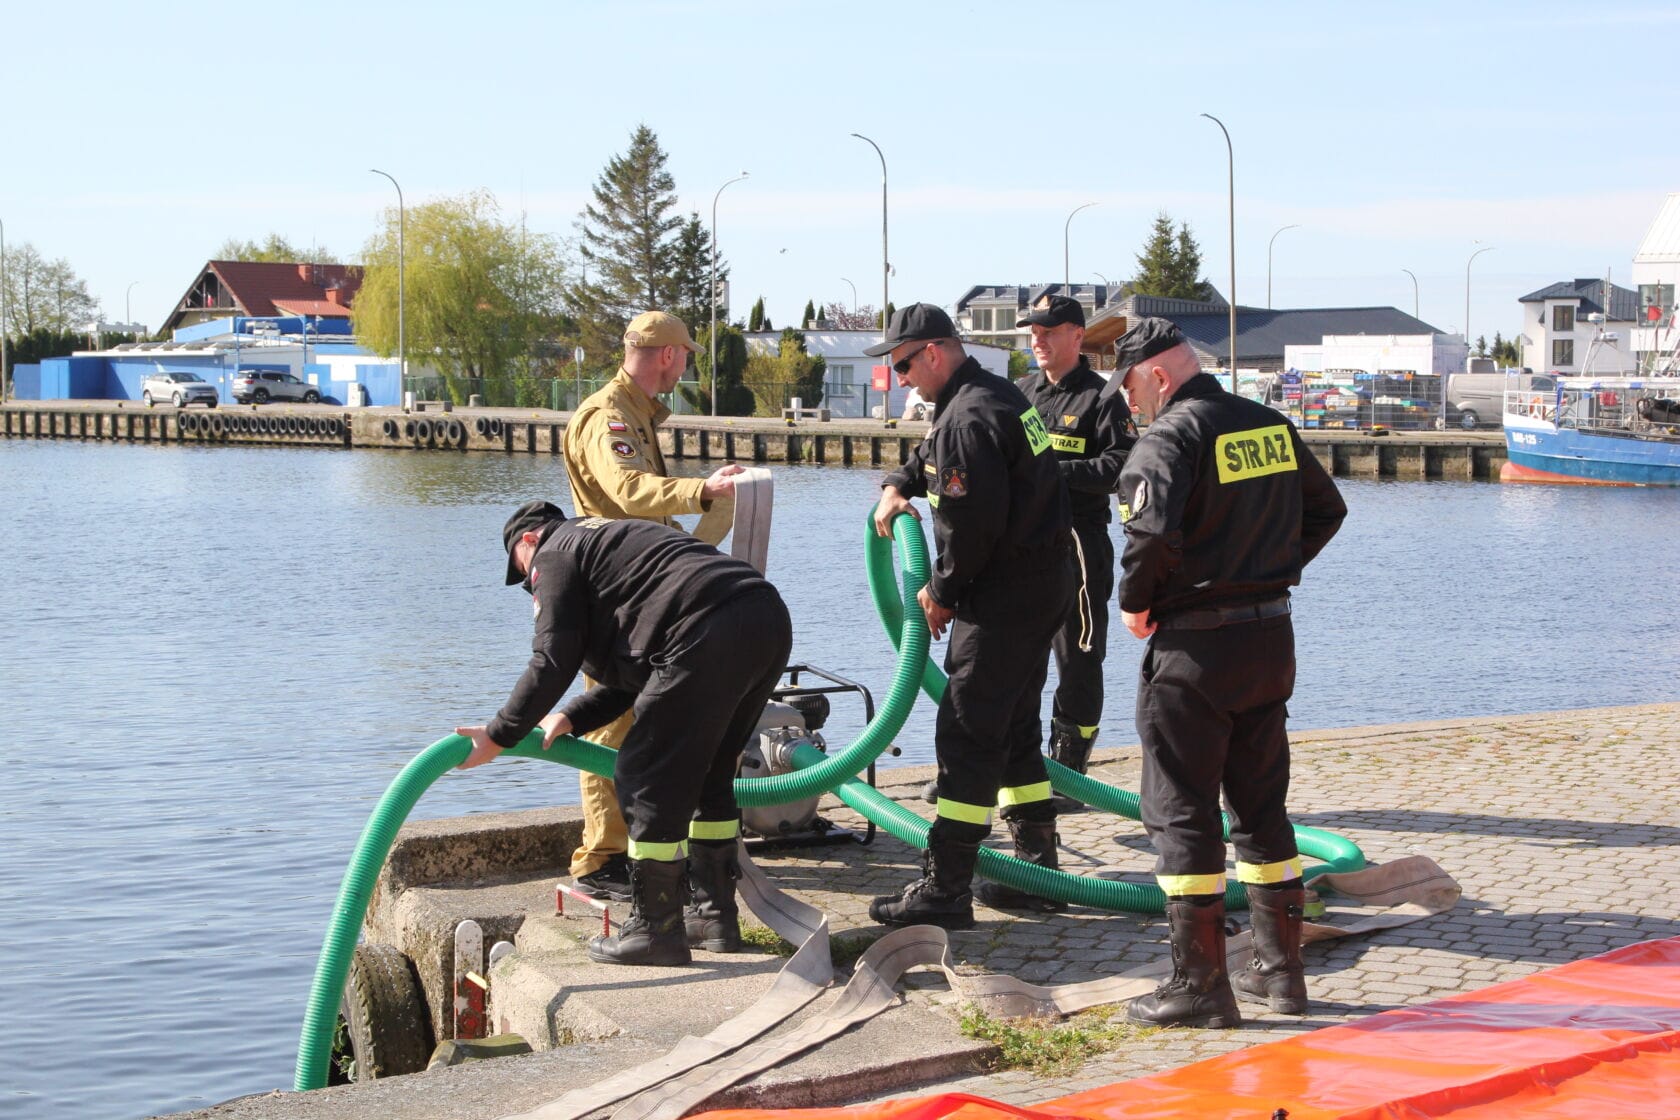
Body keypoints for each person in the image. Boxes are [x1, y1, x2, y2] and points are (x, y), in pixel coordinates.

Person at [1109, 319, 1347, 1028]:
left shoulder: (1169, 437)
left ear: (1158, 376)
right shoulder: (1267, 426)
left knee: (1180, 810)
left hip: (1195, 649)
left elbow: (1149, 534)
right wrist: (1267, 569)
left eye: (1129, 387)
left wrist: (1136, 602)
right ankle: (1283, 977)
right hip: (1269, 639)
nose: (1127, 402)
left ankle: (1199, 987)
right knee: (1261, 809)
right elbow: (1327, 509)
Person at [456, 501, 792, 967]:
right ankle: (712, 916)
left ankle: (655, 931)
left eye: (521, 570)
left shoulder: (553, 554)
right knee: (710, 774)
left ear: (529, 540)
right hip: (763, 616)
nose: (528, 585)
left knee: (643, 775)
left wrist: (499, 734)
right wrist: (572, 716)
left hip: (705, 625)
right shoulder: (609, 542)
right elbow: (644, 667)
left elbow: (551, 658)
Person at [866, 303, 1072, 928]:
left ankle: (946, 887)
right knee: (1014, 726)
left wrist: (941, 592)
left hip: (1002, 597)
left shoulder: (967, 416)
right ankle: (1036, 870)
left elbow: (971, 526)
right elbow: (933, 458)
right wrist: (898, 483)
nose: (901, 379)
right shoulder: (993, 395)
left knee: (967, 730)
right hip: (1042, 587)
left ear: (933, 352)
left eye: (904, 365)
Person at [559, 309, 744, 914]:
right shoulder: (609, 417)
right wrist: (701, 491)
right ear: (667, 354)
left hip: (641, 592)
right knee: (609, 727)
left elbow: (649, 517)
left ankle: (635, 849)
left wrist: (714, 506)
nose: (686, 365)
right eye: (685, 354)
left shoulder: (637, 413)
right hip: (613, 594)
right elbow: (629, 492)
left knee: (639, 722)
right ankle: (600, 859)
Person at [1011, 294, 1136, 815]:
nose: (1038, 339)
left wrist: (1054, 475)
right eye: (1033, 332)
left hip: (1078, 543)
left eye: (1049, 331)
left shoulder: (1101, 397)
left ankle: (1068, 773)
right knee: (1016, 658)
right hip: (1023, 547)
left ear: (1077, 336)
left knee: (1078, 657)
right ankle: (1011, 766)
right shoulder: (1021, 393)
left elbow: (1123, 463)